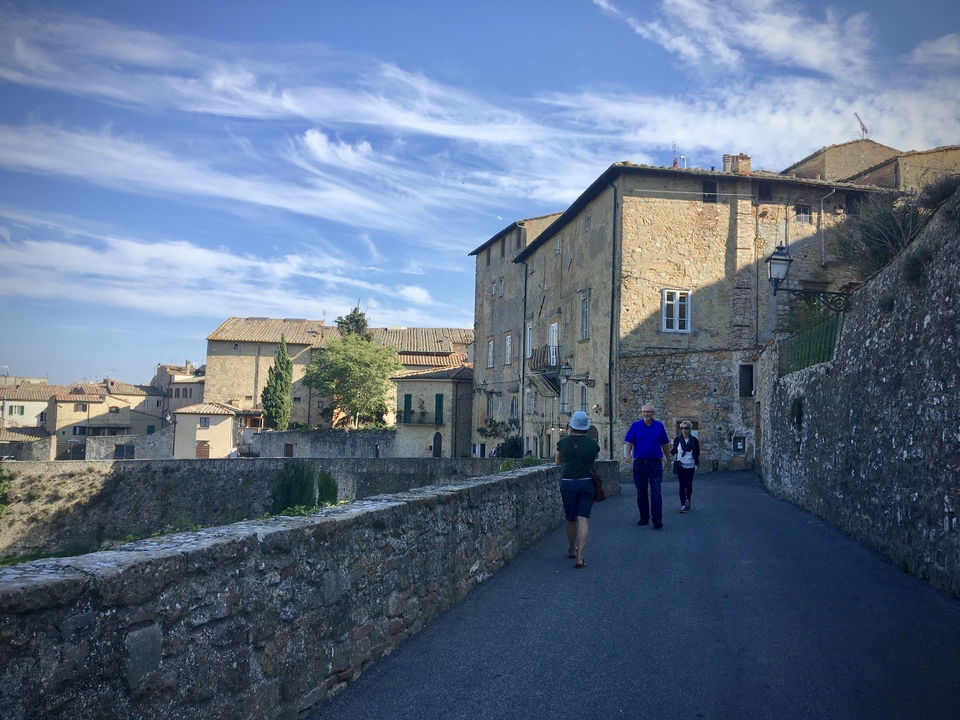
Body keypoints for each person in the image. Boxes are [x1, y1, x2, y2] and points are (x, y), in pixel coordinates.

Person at [555, 411, 600, 569]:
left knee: (570, 518)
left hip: (568, 483)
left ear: (572, 426)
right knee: (583, 520)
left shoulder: (563, 442)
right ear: (586, 427)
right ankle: (580, 558)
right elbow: (593, 460)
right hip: (586, 483)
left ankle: (572, 548)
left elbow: (558, 461)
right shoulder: (593, 444)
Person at [624, 404, 671, 529]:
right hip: (639, 464)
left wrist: (668, 459)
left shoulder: (659, 427)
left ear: (653, 413)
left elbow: (664, 444)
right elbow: (629, 441)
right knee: (641, 492)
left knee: (656, 491)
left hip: (655, 463)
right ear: (641, 413)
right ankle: (644, 517)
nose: (646, 414)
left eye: (649, 412)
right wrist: (627, 454)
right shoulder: (635, 426)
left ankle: (657, 519)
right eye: (644, 412)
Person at [670, 421, 700, 513]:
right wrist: (667, 456)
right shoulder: (677, 440)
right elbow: (674, 450)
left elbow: (697, 452)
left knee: (689, 485)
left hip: (690, 465)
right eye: (682, 428)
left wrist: (694, 459)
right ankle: (683, 505)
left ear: (690, 429)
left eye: (686, 428)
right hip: (680, 465)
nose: (684, 430)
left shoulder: (694, 440)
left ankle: (688, 499)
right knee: (682, 485)